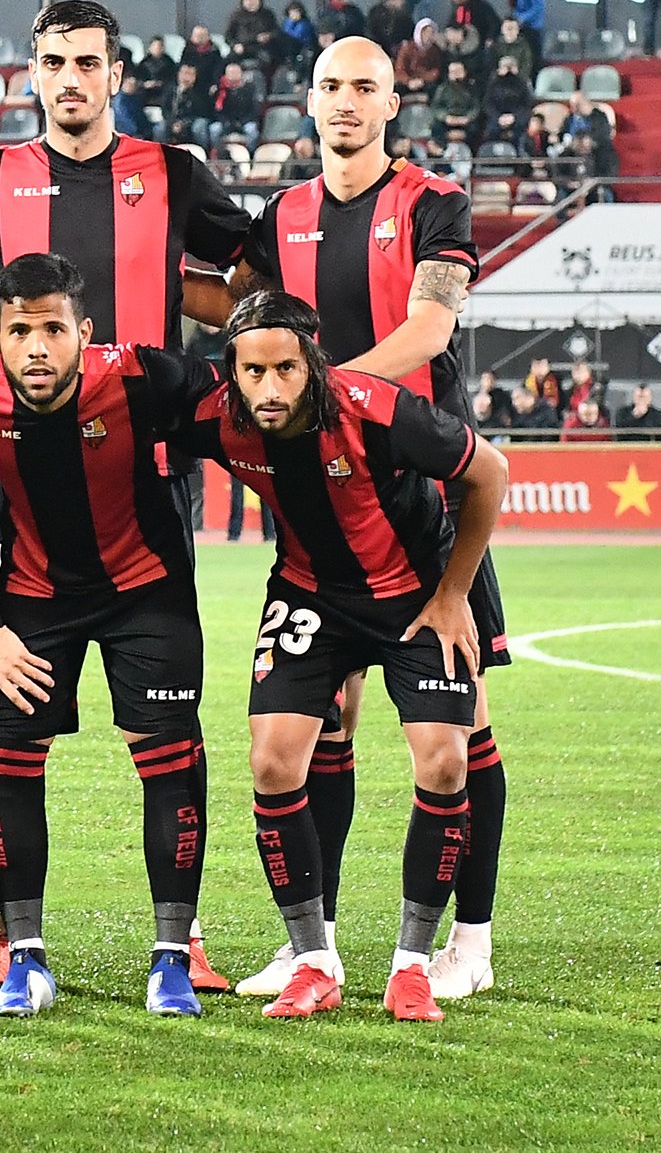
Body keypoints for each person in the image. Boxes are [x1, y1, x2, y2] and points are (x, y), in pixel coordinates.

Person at [0, 0, 251, 991]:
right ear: (30, 74)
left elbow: (257, 277)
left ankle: (183, 937)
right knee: (14, 731)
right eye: (53, 61)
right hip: (27, 499)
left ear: (117, 74)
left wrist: (189, 317)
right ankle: (11, 936)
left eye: (87, 62)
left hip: (145, 477)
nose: (70, 78)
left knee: (161, 730)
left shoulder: (174, 174)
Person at [212, 34, 510, 1003]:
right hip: (317, 498)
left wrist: (323, 394)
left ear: (393, 102)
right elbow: (240, 318)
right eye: (331, 86)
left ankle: (470, 935)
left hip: (423, 487)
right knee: (319, 719)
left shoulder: (433, 202)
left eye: (364, 88)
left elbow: (431, 329)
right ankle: (317, 943)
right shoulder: (279, 215)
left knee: (466, 725)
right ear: (308, 99)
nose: (346, 102)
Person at [0, 253, 224, 1018]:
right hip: (34, 602)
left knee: (169, 762)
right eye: (19, 331)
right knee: (9, 757)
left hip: (149, 594)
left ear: (85, 332)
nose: (37, 347)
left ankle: (172, 960)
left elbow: (245, 390)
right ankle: (26, 959)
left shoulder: (144, 376)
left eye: (53, 329)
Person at [177, 291, 507, 1023]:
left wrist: (456, 595)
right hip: (309, 595)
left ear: (313, 361)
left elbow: (488, 472)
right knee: (272, 761)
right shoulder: (214, 414)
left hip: (415, 592)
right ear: (229, 368)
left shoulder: (378, 409)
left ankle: (412, 965)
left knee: (446, 761)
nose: (269, 387)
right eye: (253, 370)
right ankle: (313, 959)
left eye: (286, 368)